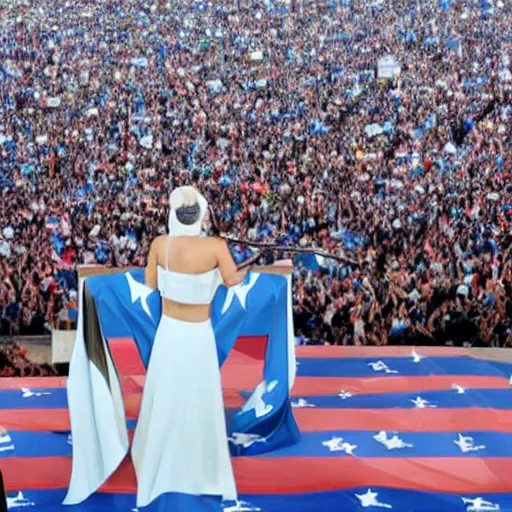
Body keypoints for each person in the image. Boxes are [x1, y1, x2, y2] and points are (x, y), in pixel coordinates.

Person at [130, 185, 247, 508]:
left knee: (166, 396)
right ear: (201, 215)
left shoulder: (159, 244)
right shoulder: (216, 246)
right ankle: (199, 465)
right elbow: (232, 280)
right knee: (199, 399)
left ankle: (157, 458)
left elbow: (150, 284)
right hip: (198, 334)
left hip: (170, 331)